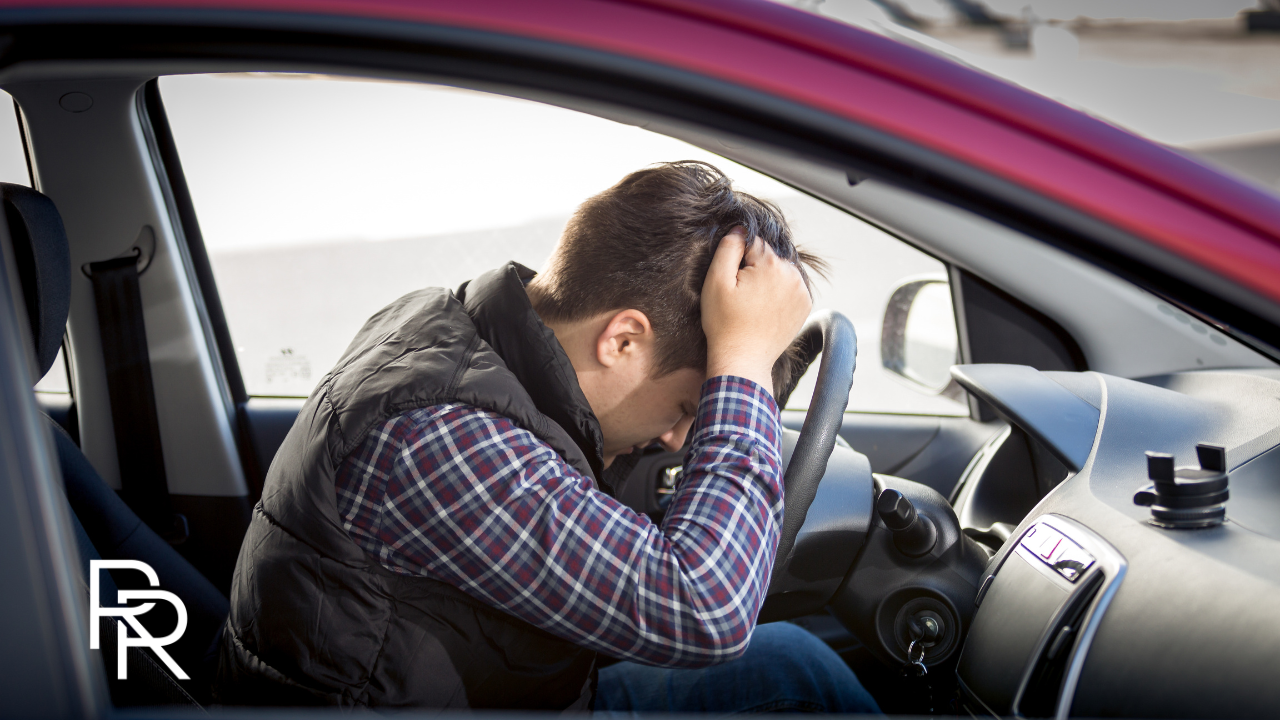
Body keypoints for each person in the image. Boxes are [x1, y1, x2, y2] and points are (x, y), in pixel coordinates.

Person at [215, 161, 879, 713]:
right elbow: (708, 610)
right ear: (622, 339)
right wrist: (741, 366)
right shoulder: (440, 437)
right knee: (796, 675)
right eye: (687, 404)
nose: (680, 439)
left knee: (794, 666)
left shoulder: (451, 326)